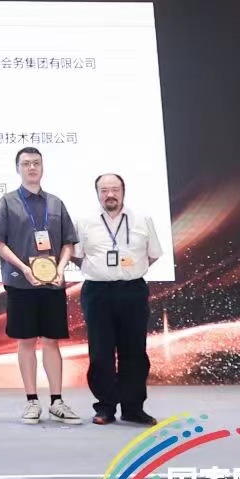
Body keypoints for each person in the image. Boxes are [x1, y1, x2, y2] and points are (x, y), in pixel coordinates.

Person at [0, 147, 82, 425]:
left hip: (52, 285)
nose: (31, 167)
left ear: (42, 167)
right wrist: (24, 268)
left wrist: (61, 268)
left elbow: (68, 242)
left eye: (36, 163)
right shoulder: (8, 202)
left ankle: (57, 401)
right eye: (26, 163)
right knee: (26, 341)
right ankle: (31, 401)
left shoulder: (55, 203)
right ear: (18, 168)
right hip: (21, 283)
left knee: (52, 342)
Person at [75, 173, 163, 426]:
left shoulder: (142, 219)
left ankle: (133, 408)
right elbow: (76, 255)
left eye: (114, 189)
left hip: (132, 290)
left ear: (123, 191)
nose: (110, 195)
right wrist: (101, 271)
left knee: (134, 351)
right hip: (97, 292)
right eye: (104, 190)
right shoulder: (84, 222)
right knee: (100, 353)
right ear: (97, 193)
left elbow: (153, 254)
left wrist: (130, 271)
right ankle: (105, 407)